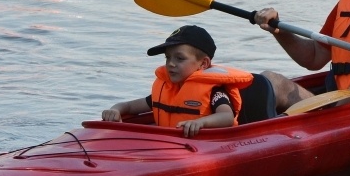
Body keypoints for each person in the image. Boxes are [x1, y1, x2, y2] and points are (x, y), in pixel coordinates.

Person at [101, 25, 254, 137]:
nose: (171, 64)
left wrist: (200, 123)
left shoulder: (215, 91)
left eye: (179, 58)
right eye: (167, 57)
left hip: (209, 143)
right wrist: (115, 110)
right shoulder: (166, 89)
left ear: (204, 64)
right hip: (171, 144)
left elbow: (226, 116)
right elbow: (128, 106)